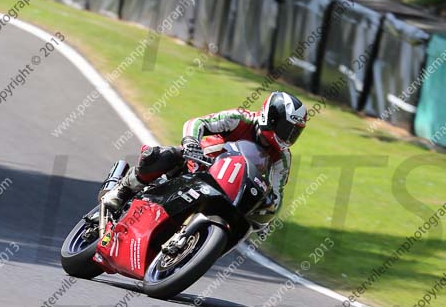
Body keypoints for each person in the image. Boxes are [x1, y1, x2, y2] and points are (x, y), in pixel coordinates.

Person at [100, 91, 308, 219]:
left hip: (229, 191)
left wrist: (269, 208)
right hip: (198, 163)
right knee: (166, 155)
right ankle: (123, 190)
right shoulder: (240, 119)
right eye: (286, 128)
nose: (288, 136)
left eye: (294, 132)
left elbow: (277, 194)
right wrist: (191, 143)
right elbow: (198, 123)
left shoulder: (282, 158)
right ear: (271, 117)